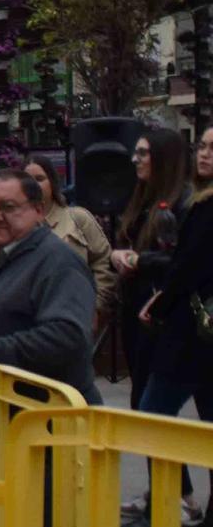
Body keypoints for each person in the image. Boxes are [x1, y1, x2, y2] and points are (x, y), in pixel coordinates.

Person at [0, 168, 101, 402]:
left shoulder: (58, 262)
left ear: (38, 211)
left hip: (44, 425)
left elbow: (68, 337)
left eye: (8, 207)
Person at [126, 127, 213, 527]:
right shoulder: (199, 202)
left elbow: (186, 268)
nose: (207, 154)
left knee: (154, 414)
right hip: (196, 332)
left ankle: (166, 509)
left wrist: (155, 299)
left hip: (190, 333)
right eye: (205, 146)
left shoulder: (201, 207)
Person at [111, 128, 190, 449]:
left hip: (167, 315)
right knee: (145, 404)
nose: (135, 160)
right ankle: (171, 490)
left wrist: (137, 260)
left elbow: (183, 261)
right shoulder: (142, 200)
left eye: (143, 153)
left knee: (155, 406)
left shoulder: (184, 203)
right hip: (137, 312)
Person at [24, 155, 114, 327]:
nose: (34, 185)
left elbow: (104, 262)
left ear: (52, 182)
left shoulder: (78, 218)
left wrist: (96, 306)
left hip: (75, 317)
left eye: (40, 179)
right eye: (28, 180)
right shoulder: (14, 225)